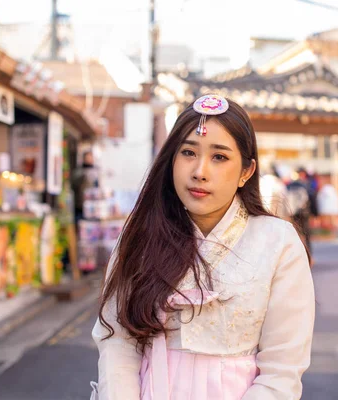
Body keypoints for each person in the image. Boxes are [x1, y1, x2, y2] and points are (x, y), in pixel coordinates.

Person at [91, 94, 315, 400]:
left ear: (246, 172)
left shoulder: (278, 242)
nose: (200, 171)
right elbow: (118, 341)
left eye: (219, 157)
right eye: (187, 152)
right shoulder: (140, 235)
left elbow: (282, 370)